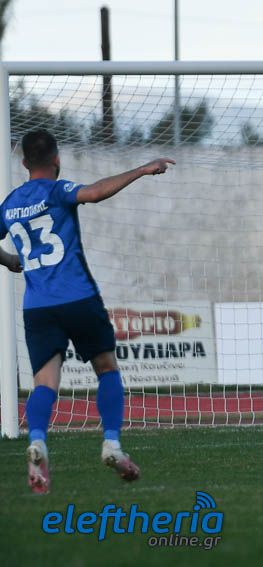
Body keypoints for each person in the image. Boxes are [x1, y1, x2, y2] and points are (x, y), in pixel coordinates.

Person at [0, 130, 174, 493]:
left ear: (24, 163)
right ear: (57, 159)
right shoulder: (57, 190)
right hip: (78, 298)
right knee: (106, 368)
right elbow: (93, 193)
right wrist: (141, 169)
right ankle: (111, 443)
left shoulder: (11, 203)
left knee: (44, 383)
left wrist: (9, 260)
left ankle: (37, 441)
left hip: (37, 307)